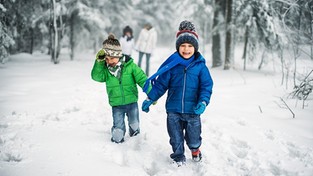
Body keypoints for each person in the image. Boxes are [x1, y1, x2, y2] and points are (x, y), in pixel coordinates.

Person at [141, 20, 213, 166]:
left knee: (193, 137)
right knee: (175, 137)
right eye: (183, 46)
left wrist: (203, 101)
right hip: (173, 110)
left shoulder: (200, 67)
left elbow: (206, 86)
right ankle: (178, 156)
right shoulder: (172, 65)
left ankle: (195, 150)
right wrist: (151, 97)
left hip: (193, 111)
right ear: (178, 47)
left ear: (195, 48)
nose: (186, 49)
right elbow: (161, 84)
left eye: (190, 46)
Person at [91, 34, 149, 143]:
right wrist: (99, 62)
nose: (109, 61)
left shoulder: (130, 66)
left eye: (112, 58)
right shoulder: (106, 71)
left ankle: (135, 135)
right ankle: (117, 131)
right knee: (117, 136)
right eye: (106, 59)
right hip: (117, 105)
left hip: (132, 103)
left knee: (135, 125)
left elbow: (142, 79)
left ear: (118, 55)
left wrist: (152, 93)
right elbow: (96, 76)